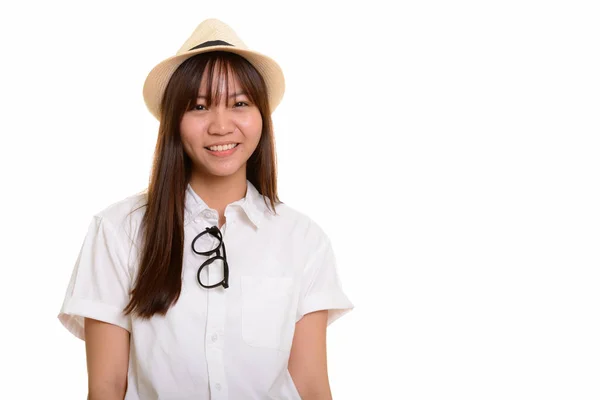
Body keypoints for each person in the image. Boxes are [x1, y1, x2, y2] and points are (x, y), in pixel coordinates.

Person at [57, 18, 354, 400]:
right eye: (199, 106)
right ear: (174, 122)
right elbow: (106, 387)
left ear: (261, 115)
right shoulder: (118, 230)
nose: (221, 125)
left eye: (239, 104)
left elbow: (311, 386)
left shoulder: (302, 239)